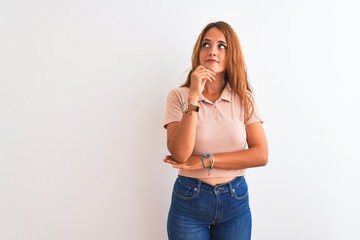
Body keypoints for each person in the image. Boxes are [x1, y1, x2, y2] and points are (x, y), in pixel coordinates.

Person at [163, 21, 268, 240]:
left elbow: (261, 154)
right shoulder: (178, 96)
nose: (213, 51)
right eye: (206, 44)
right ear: (198, 52)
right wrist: (193, 96)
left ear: (232, 55)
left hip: (235, 202)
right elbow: (181, 154)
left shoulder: (244, 98)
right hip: (189, 201)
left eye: (222, 46)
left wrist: (205, 160)